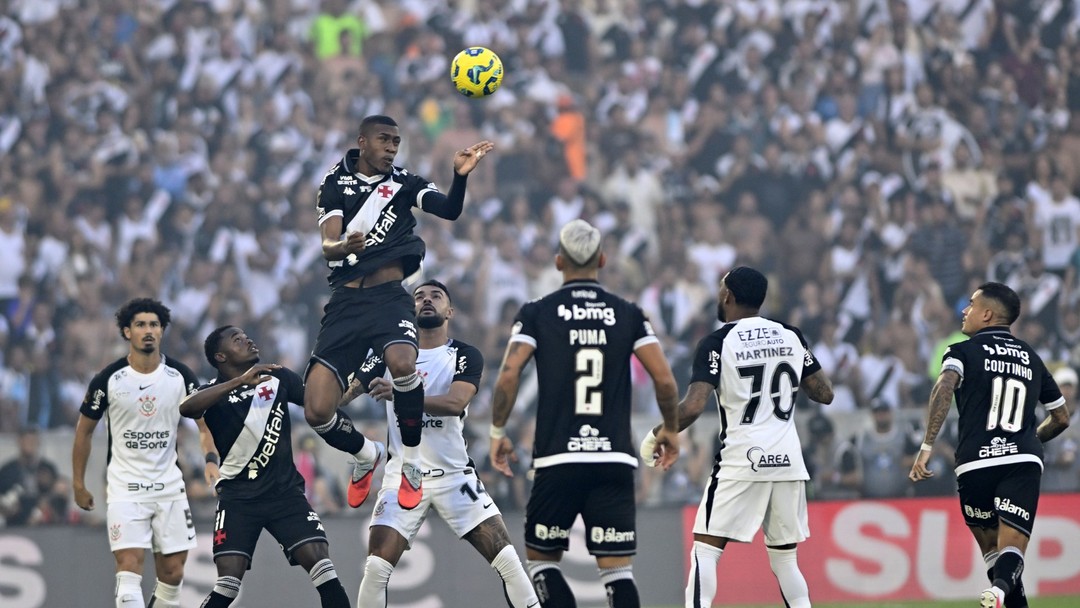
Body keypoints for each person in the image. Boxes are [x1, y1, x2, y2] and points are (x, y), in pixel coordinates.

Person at [306, 114, 495, 511]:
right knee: (317, 410)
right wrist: (343, 247)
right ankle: (366, 454)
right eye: (384, 140)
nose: (392, 147)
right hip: (345, 302)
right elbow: (328, 244)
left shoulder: (404, 182)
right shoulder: (334, 182)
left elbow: (449, 209)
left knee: (403, 363)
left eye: (396, 141)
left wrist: (459, 177)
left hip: (390, 298)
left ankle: (409, 462)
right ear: (362, 141)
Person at [490, 219, 681, 608]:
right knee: (617, 572)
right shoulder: (629, 314)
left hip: (557, 458)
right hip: (613, 458)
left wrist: (497, 432)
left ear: (558, 261)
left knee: (541, 563)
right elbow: (664, 380)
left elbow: (509, 374)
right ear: (603, 260)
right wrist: (672, 430)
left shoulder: (537, 313)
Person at [640, 266, 835, 608]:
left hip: (743, 458)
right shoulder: (790, 335)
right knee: (785, 560)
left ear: (728, 296)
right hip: (788, 461)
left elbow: (693, 407)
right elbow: (824, 393)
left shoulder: (717, 342)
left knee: (705, 551)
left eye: (720, 288)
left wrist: (657, 433)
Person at [350, 279, 538, 607]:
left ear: (449, 311)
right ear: (409, 310)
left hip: (454, 476)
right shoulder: (387, 354)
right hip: (402, 476)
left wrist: (402, 394)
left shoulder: (465, 354)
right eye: (419, 296)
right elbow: (345, 393)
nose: (427, 300)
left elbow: (455, 403)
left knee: (508, 560)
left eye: (436, 296)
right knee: (376, 567)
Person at [910, 282, 1071, 608]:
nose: (964, 310)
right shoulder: (1031, 357)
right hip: (1021, 461)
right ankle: (998, 592)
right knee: (1013, 547)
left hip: (974, 462)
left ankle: (997, 592)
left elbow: (944, 386)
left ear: (987, 314)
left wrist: (927, 445)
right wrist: (1029, 440)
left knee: (992, 552)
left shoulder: (961, 351)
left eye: (971, 304)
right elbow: (1061, 417)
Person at [179, 326, 351, 608]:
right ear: (221, 356)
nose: (247, 339)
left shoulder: (277, 377)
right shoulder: (212, 392)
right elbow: (187, 408)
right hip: (238, 499)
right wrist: (240, 381)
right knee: (227, 584)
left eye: (246, 336)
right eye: (237, 339)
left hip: (285, 494)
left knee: (322, 565)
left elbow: (317, 403)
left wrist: (351, 410)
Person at [72, 298, 211, 608]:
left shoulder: (180, 376)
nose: (148, 330)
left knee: (173, 574)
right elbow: (84, 431)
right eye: (140, 325)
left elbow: (204, 425)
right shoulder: (108, 379)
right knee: (129, 568)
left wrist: (211, 460)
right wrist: (78, 483)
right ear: (127, 332)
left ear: (162, 331)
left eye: (154, 325)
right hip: (125, 487)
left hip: (169, 487)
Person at [0, 425, 68, 526]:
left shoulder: (47, 468)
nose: (30, 445)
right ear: (19, 442)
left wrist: (50, 487)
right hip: (16, 522)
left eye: (33, 441)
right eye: (26, 441)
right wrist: (6, 507)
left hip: (44, 522)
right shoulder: (7, 470)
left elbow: (59, 497)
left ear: (38, 443)